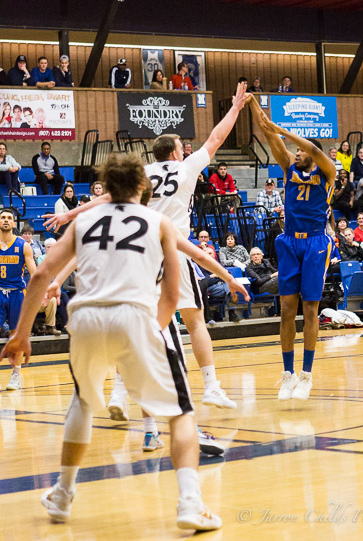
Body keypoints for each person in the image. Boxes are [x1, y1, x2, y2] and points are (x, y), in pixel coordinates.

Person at [0, 153, 222, 532]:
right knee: (181, 412)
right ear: (142, 185)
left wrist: (21, 334)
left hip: (85, 318)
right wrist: (151, 333)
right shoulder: (159, 221)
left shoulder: (84, 220)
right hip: (134, 313)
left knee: (83, 401)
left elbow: (41, 276)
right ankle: (191, 503)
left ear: (107, 184)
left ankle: (62, 494)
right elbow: (170, 296)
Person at [44, 82, 249, 414]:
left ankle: (119, 393)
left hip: (140, 252)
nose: (185, 151)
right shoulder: (186, 167)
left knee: (135, 322)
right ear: (176, 153)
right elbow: (216, 138)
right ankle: (211, 387)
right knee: (194, 319)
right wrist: (236, 108)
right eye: (182, 147)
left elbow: (107, 198)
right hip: (173, 249)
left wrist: (69, 213)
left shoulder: (142, 173)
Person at [247, 94, 336, 402]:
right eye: (295, 150)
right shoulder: (289, 168)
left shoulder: (327, 172)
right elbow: (268, 132)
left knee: (310, 309)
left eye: (300, 150)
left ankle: (307, 375)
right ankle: (288, 374)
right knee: (286, 310)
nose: (296, 153)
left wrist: (284, 130)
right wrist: (253, 103)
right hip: (289, 242)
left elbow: (313, 149)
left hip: (315, 243)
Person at [0, 208, 36, 389]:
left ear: (14, 223)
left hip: (17, 293)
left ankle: (16, 374)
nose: (6, 220)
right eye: (3, 218)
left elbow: (34, 274)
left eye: (9, 218)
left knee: (16, 335)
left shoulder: (23, 245)